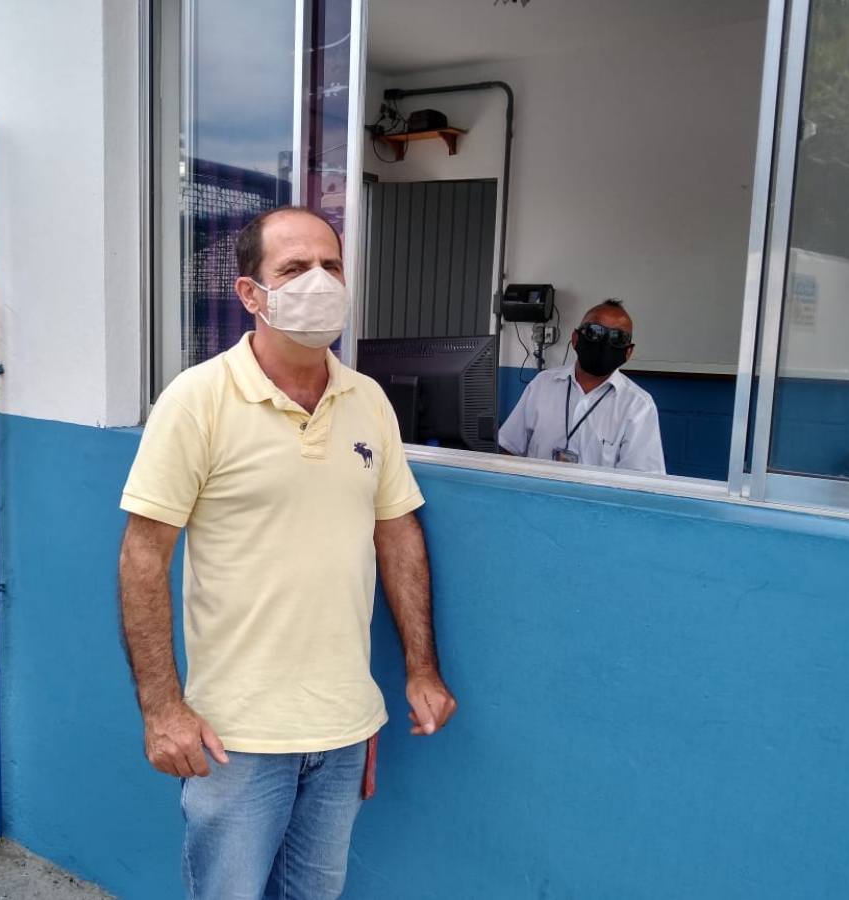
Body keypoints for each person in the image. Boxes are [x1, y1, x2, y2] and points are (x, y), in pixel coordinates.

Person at [117, 205, 457, 900]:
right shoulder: (198, 400)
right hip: (235, 736)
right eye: (295, 268)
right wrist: (162, 709)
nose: (319, 282)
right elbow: (143, 557)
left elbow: (397, 532)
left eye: (331, 266)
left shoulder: (368, 401)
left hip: (343, 725)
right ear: (251, 293)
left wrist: (422, 668)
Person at [498, 299, 666, 473]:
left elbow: (640, 480)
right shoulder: (542, 384)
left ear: (628, 351)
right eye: (594, 332)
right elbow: (511, 450)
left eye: (618, 337)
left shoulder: (638, 406)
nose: (604, 343)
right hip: (535, 489)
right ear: (575, 338)